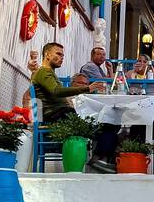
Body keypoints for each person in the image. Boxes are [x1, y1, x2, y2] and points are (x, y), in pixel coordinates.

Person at [31, 42, 116, 170]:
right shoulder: (44, 72)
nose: (61, 58)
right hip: (58, 117)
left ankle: (98, 158)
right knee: (109, 122)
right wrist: (87, 88)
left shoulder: (48, 73)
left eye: (63, 55)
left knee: (109, 123)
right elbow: (56, 91)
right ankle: (98, 159)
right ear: (47, 55)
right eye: (58, 54)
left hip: (61, 114)